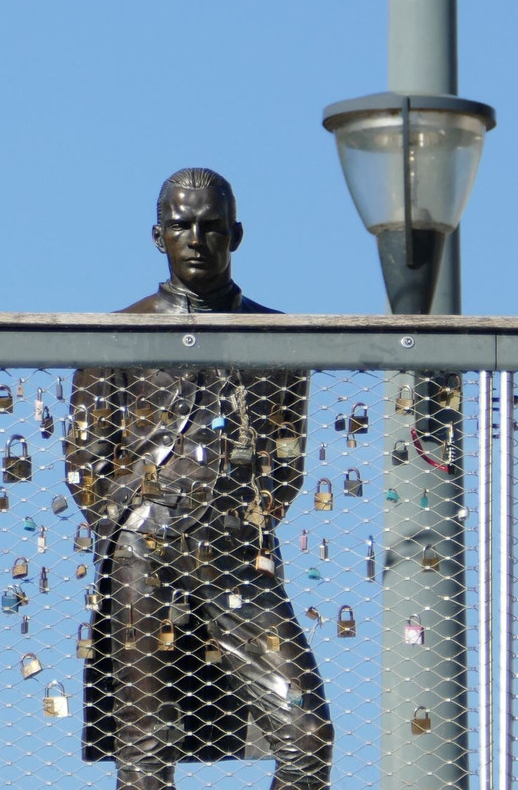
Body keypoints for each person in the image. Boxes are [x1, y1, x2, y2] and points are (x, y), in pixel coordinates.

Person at [65, 168, 333, 790]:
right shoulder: (115, 333)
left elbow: (287, 462)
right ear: (157, 235)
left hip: (239, 554)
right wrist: (133, 525)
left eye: (211, 227)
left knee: (307, 737)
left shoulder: (281, 337)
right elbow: (85, 460)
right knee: (145, 753)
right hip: (141, 553)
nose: (196, 239)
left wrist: (245, 521)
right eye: (182, 226)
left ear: (235, 235)